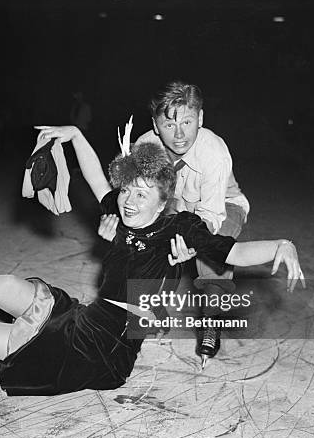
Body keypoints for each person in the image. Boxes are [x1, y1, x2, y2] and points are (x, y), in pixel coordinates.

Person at [0, 126, 303, 396]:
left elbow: (234, 251)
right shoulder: (121, 214)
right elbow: (95, 181)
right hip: (88, 319)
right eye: (127, 190)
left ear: (164, 198)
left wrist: (281, 246)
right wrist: (72, 135)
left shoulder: (182, 228)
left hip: (102, 353)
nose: (129, 201)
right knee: (9, 285)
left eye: (142, 193)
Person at [100, 81, 250, 363]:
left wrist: (191, 246)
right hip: (173, 206)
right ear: (156, 126)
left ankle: (211, 321)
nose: (180, 134)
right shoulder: (144, 146)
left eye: (188, 121)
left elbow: (211, 217)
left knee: (212, 257)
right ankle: (152, 311)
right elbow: (127, 195)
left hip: (221, 207)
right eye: (169, 125)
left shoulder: (214, 153)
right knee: (146, 245)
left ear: (201, 119)